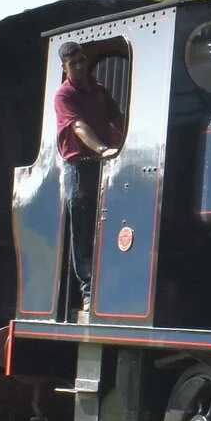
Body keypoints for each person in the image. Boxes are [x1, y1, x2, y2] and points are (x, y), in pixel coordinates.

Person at [53, 41, 125, 315]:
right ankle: (88, 291)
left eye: (82, 60)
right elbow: (79, 127)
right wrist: (103, 148)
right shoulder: (64, 95)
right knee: (82, 228)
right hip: (79, 166)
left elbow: (117, 121)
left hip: (104, 165)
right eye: (74, 63)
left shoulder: (100, 91)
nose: (81, 66)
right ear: (65, 67)